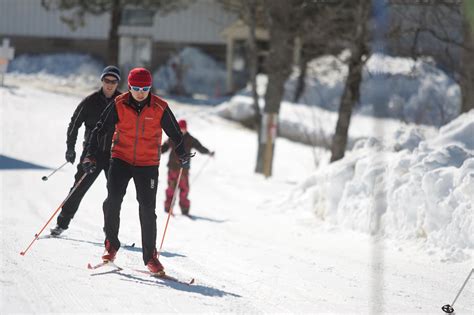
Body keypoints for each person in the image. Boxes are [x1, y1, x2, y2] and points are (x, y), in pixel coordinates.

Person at [82, 67, 192, 275]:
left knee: (147, 210)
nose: (141, 92)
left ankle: (150, 257)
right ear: (129, 86)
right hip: (121, 159)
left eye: (145, 88)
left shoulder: (160, 107)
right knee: (113, 201)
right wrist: (90, 154)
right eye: (136, 88)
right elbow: (100, 130)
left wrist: (182, 154)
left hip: (148, 164)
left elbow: (175, 134)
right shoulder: (119, 103)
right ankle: (111, 246)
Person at [50, 66, 122, 236]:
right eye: (107, 81)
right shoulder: (90, 102)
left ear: (118, 83)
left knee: (115, 193)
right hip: (92, 153)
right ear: (102, 81)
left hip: (114, 154)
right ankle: (62, 223)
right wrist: (70, 148)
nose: (110, 84)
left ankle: (110, 232)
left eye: (113, 81)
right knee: (79, 188)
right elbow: (74, 124)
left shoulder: (122, 101)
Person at [162, 119, 214, 215]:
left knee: (184, 189)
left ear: (186, 129)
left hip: (184, 169)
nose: (182, 130)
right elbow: (164, 148)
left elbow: (200, 147)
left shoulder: (190, 139)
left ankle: (184, 208)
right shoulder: (172, 137)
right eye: (180, 128)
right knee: (171, 188)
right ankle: (168, 207)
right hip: (172, 168)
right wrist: (157, 151)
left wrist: (208, 152)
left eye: (183, 128)